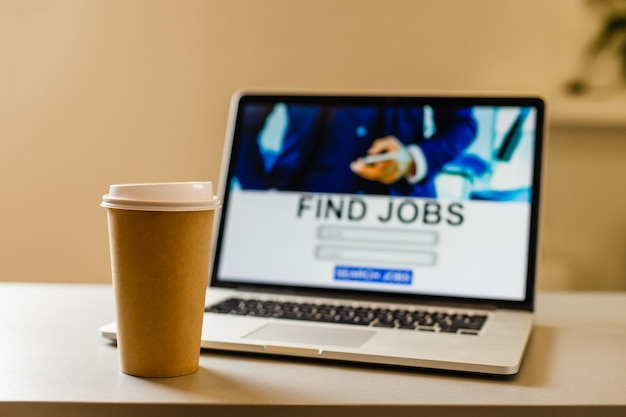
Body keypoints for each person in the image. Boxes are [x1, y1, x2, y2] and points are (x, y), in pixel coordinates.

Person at [234, 103, 477, 198]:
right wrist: (259, 193)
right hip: (298, 206)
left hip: (402, 208)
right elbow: (245, 124)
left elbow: (461, 124)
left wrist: (413, 159)